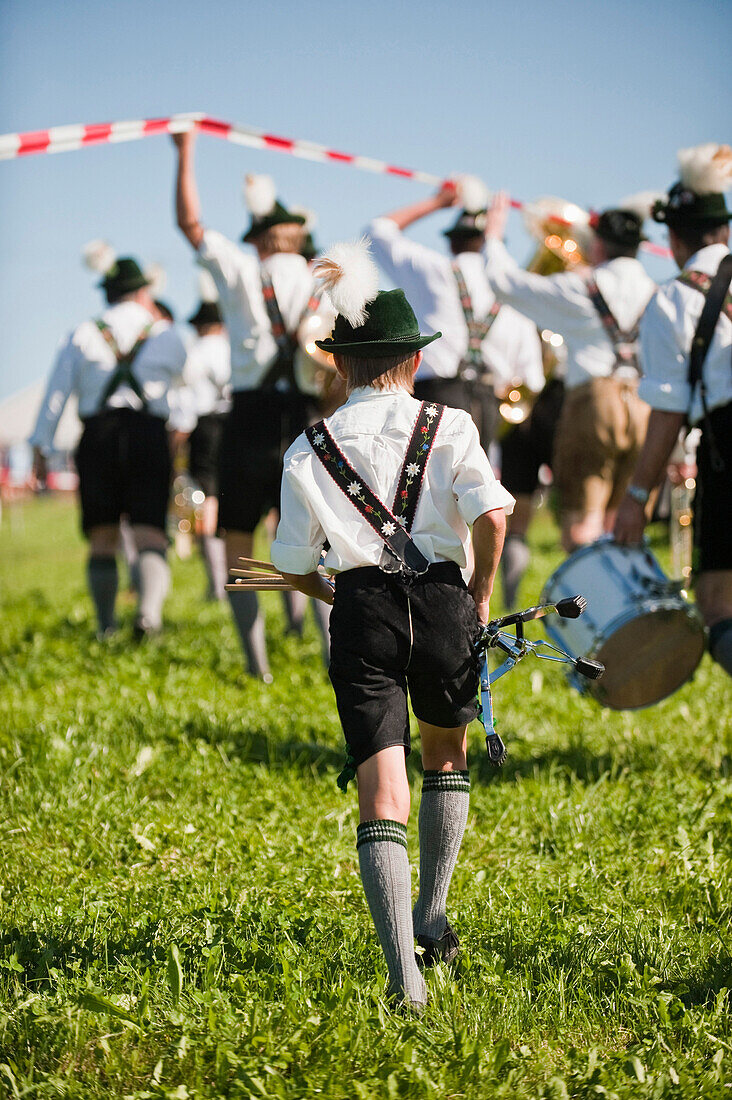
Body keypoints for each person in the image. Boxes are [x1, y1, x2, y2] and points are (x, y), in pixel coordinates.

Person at [270, 240, 514, 1010]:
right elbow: (496, 514)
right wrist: (477, 592)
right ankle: (434, 913)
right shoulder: (451, 424)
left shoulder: (307, 448)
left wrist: (337, 595)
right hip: (446, 600)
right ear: (413, 360)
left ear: (339, 364)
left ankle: (403, 978)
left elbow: (289, 563)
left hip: (362, 608)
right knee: (446, 754)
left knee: (382, 788)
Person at [173, 127, 324, 679]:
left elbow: (191, 225)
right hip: (308, 421)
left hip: (249, 420)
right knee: (316, 550)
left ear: (258, 238)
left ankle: (258, 667)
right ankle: (334, 663)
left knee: (240, 547)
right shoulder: (323, 279)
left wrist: (185, 151)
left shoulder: (240, 271)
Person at [615, 143, 732, 677]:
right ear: (723, 230)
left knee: (716, 603)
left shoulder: (675, 297)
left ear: (674, 237)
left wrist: (638, 498)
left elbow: (666, 414)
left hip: (727, 439)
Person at [30, 242, 187, 638]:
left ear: (107, 293)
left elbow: (55, 394)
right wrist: (179, 434)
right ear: (142, 292)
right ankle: (148, 615)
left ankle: (105, 627)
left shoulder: (83, 333)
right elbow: (189, 393)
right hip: (149, 434)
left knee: (102, 537)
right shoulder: (166, 334)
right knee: (150, 530)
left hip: (97, 436)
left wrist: (41, 447)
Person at [484, 192, 657, 551]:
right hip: (644, 404)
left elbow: (504, 282)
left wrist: (494, 236)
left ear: (598, 245)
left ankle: (584, 605)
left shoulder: (581, 285)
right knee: (622, 524)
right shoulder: (658, 292)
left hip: (593, 402)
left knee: (581, 527)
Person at [365, 180, 544, 446]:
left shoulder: (435, 270)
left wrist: (437, 202)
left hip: (434, 399)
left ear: (452, 243)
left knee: (424, 485)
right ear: (490, 241)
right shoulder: (510, 287)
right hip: (488, 406)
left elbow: (376, 231)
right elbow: (533, 379)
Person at [180, 277, 231, 601]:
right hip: (236, 422)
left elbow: (185, 400)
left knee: (208, 500)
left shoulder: (195, 351)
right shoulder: (230, 347)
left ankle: (217, 584)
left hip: (206, 426)